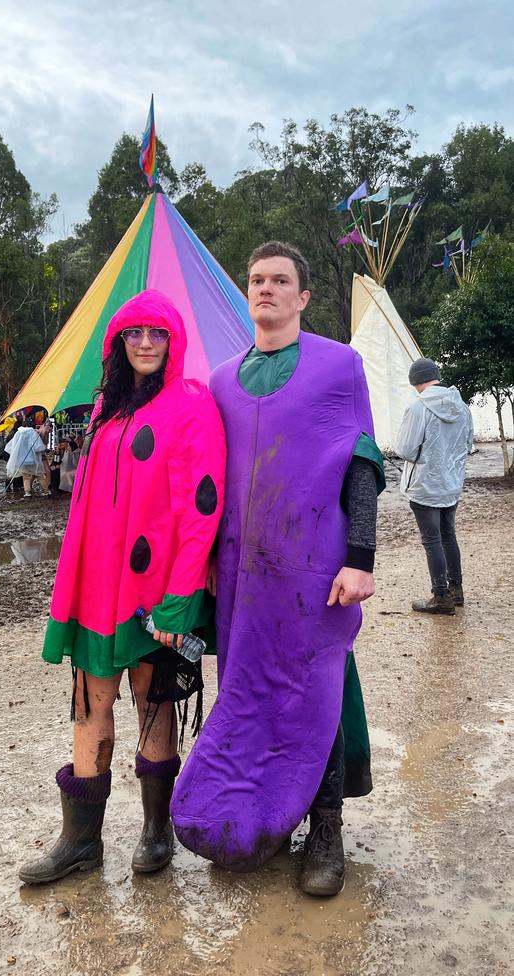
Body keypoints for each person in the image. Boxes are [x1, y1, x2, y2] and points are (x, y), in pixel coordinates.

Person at [171, 241, 384, 896]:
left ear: (303, 297)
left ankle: (326, 827)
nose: (265, 288)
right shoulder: (222, 381)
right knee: (248, 695)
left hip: (314, 574)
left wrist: (362, 558)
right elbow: (207, 483)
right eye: (256, 279)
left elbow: (362, 464)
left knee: (316, 692)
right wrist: (201, 562)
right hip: (241, 578)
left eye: (279, 280)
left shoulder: (339, 367)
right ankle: (269, 814)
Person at [19, 289, 226, 886]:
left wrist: (182, 597)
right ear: (117, 342)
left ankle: (156, 829)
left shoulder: (191, 404)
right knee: (90, 706)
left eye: (155, 333)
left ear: (172, 341)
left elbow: (202, 505)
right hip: (97, 588)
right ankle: (80, 840)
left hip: (158, 590)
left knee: (153, 704)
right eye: (132, 333)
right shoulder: (107, 408)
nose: (144, 343)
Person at [395, 358, 473, 614]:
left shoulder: (418, 408)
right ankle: (456, 590)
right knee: (448, 535)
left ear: (415, 381)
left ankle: (441, 597)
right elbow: (467, 445)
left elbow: (405, 449)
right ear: (436, 377)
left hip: (425, 485)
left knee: (432, 540)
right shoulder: (462, 408)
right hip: (451, 484)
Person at [4, 420, 49, 498]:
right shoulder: (33, 433)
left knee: (26, 477)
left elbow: (10, 447)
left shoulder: (18, 433)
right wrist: (44, 448)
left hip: (21, 460)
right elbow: (38, 447)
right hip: (33, 460)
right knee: (40, 475)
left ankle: (27, 493)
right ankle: (46, 491)